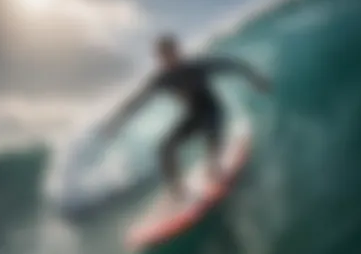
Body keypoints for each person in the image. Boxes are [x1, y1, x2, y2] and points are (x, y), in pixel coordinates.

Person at [103, 34, 271, 200]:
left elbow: (230, 65)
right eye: (164, 55)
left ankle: (214, 166)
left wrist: (256, 79)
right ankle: (177, 188)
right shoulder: (162, 79)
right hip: (193, 115)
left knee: (210, 129)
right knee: (165, 147)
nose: (169, 58)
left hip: (212, 110)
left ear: (177, 51)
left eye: (171, 53)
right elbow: (137, 101)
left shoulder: (197, 67)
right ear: (160, 58)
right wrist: (115, 123)